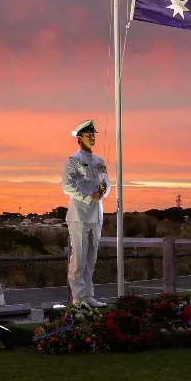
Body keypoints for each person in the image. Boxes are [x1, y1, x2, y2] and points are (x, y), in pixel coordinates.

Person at [62, 120, 111, 308]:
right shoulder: (73, 160)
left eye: (94, 134)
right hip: (80, 214)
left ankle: (89, 295)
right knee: (79, 257)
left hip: (96, 214)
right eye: (88, 134)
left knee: (91, 257)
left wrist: (104, 191)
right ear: (79, 138)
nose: (92, 137)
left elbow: (106, 182)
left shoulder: (99, 161)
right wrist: (88, 197)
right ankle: (79, 297)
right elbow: (67, 185)